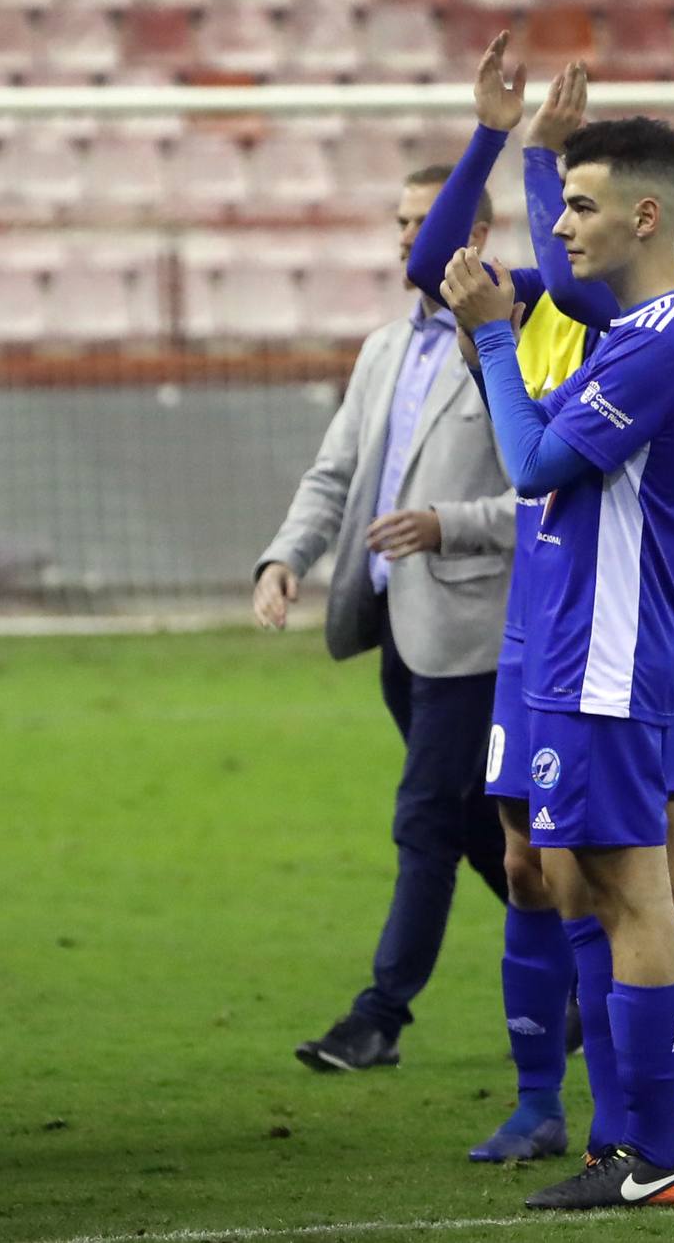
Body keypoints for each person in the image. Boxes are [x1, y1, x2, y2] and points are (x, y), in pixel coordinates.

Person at [404, 48, 674, 1173]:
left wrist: (498, 340)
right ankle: (624, 1139)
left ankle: (659, 1142)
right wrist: (513, 142)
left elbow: (538, 463)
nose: (560, 227)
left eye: (583, 207)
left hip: (612, 647)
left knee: (636, 889)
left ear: (647, 217)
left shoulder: (670, 338)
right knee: (584, 886)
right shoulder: (643, 325)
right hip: (569, 637)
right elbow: (446, 268)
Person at [252, 163, 519, 1075]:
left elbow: (549, 496)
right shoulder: (382, 350)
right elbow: (334, 474)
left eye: (427, 222)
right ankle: (576, 980)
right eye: (402, 222)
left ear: (474, 237)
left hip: (479, 632)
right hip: (397, 627)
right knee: (480, 828)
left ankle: (379, 1018)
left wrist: (450, 526)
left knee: (424, 823)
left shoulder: (514, 343)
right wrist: (287, 558)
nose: (411, 237)